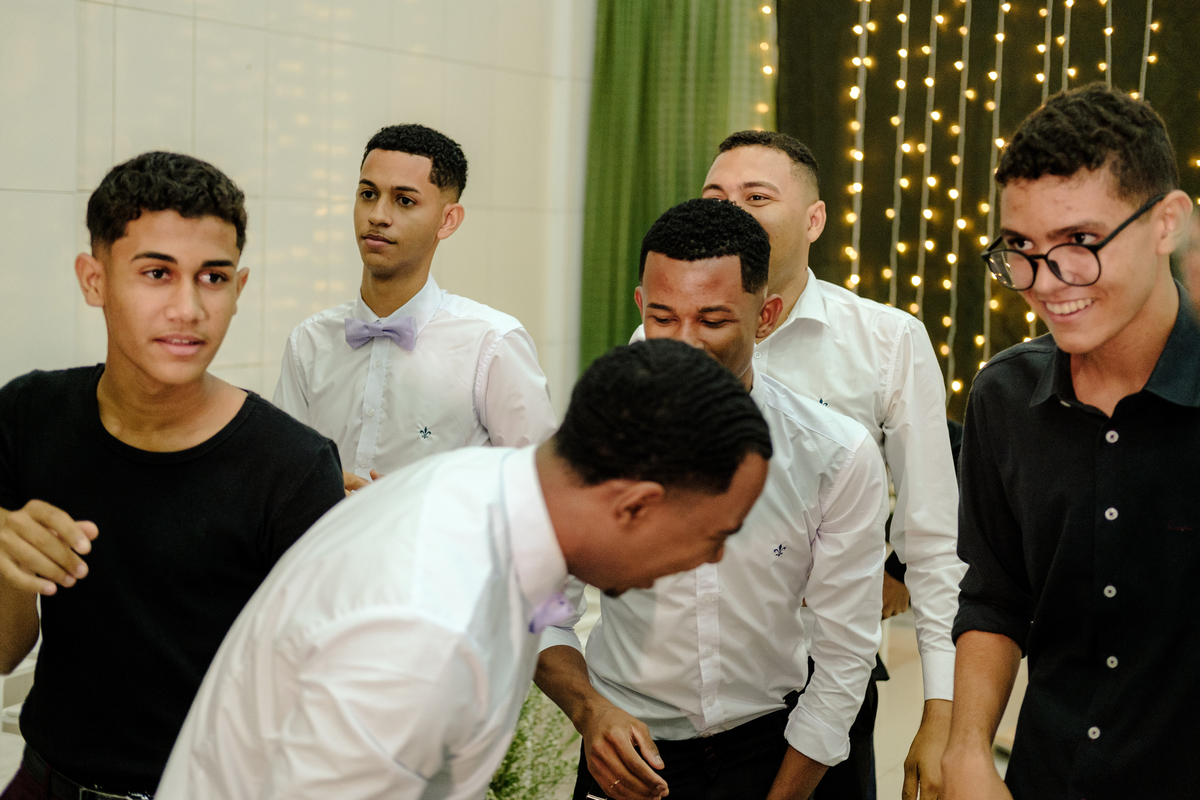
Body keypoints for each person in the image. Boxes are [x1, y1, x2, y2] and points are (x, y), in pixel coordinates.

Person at [157, 338, 774, 799]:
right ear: (635, 506)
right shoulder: (426, 626)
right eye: (714, 535)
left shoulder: (486, 486)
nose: (714, 558)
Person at [0, 152, 345, 798]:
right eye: (157, 273)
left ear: (239, 290)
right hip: (44, 782)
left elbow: (329, 702)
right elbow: (4, 650)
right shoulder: (28, 414)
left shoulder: (293, 468)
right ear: (94, 280)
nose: (188, 308)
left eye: (213, 278)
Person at [537, 199, 888, 800]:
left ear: (766, 316)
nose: (684, 344)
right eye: (664, 318)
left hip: (773, 752)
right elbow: (542, 612)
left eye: (713, 320)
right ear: (641, 305)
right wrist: (589, 710)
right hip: (626, 746)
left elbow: (844, 658)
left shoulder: (834, 453)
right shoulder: (588, 444)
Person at [942, 84, 1198, 800]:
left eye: (1080, 244)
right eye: (1021, 249)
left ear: (1166, 223)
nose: (1046, 283)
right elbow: (994, 596)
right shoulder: (1002, 397)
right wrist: (967, 750)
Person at [699, 130, 965, 799]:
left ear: (814, 219)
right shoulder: (660, 337)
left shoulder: (886, 341)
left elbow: (933, 543)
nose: (732, 213)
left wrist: (943, 715)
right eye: (716, 197)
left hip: (824, 682)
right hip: (681, 686)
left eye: (757, 197)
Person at [272, 123, 557, 493]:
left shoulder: (493, 344)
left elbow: (541, 491)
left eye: (404, 200)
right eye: (368, 194)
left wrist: (420, 504)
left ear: (447, 220)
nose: (378, 215)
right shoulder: (308, 342)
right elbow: (279, 477)